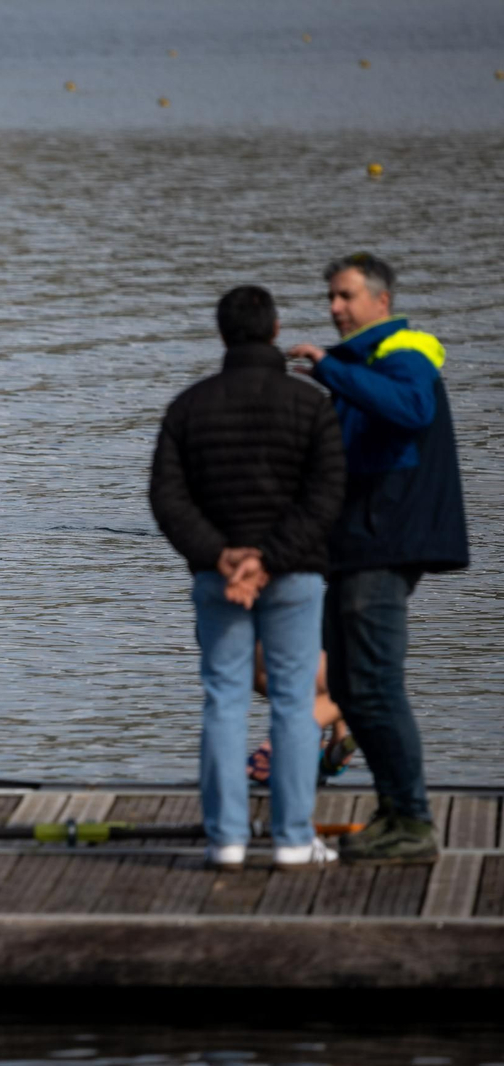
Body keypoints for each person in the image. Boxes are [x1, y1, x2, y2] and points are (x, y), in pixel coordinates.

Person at [150, 285, 344, 870]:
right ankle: (292, 839)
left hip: (219, 580)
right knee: (293, 703)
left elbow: (167, 499)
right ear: (276, 330)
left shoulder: (188, 407)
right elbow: (327, 496)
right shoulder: (311, 405)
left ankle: (226, 839)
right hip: (293, 576)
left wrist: (223, 558)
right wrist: (270, 559)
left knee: (224, 701)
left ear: (221, 333)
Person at [287, 253, 469, 864]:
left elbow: (413, 408)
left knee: (375, 684)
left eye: (345, 296)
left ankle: (412, 822)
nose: (334, 307)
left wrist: (328, 369)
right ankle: (394, 814)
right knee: (346, 684)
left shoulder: (405, 349)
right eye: (331, 297)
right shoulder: (360, 365)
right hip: (353, 546)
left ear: (381, 302)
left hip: (384, 545)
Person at [247, 648, 355, 784]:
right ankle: (277, 746)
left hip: (251, 665)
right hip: (302, 664)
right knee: (362, 686)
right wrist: (339, 733)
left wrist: (339, 733)